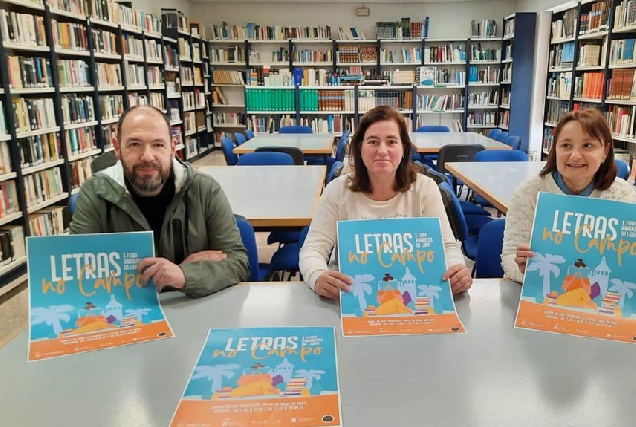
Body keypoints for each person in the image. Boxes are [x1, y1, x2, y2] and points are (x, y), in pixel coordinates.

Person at [70, 105, 250, 297]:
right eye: (134, 144)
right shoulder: (95, 193)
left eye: (158, 144)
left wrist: (184, 275)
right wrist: (185, 272)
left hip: (193, 310)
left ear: (172, 148)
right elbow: (78, 273)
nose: (147, 156)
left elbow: (238, 262)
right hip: (128, 315)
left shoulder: (204, 190)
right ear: (117, 147)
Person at [299, 106, 472, 299]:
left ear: (404, 149)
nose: (382, 150)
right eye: (373, 142)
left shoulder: (425, 188)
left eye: (391, 141)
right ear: (360, 149)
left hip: (414, 300)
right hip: (348, 299)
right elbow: (313, 249)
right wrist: (317, 276)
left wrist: (456, 270)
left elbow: (448, 247)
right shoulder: (337, 191)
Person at [502, 109, 636, 283]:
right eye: (566, 145)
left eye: (587, 145)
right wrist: (526, 269)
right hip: (538, 295)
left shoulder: (623, 195)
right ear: (555, 149)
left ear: (605, 151)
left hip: (599, 299)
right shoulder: (529, 193)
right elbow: (509, 256)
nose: (575, 155)